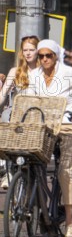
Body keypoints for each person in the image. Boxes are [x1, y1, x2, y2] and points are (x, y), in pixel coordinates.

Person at [29, 39, 72, 237]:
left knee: (65, 170)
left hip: (70, 125)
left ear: (55, 56)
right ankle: (42, 213)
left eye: (49, 55)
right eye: (41, 56)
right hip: (44, 127)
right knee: (30, 164)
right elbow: (29, 98)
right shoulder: (33, 75)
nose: (44, 59)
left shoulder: (68, 73)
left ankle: (70, 222)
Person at [0, 35, 40, 189]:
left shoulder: (44, 72)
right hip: (17, 115)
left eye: (32, 49)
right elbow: (2, 96)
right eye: (25, 50)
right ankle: (8, 171)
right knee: (6, 118)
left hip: (37, 116)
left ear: (38, 51)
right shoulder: (15, 71)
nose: (28, 53)